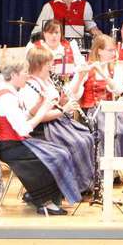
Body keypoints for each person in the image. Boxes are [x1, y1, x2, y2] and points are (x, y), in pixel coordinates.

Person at [0, 60, 83, 215]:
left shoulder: (11, 93)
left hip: (16, 142)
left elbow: (24, 117)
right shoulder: (7, 98)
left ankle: (37, 195)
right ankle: (44, 200)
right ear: (13, 75)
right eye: (24, 72)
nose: (27, 76)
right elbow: (24, 129)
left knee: (62, 151)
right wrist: (44, 109)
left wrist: (39, 104)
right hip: (11, 147)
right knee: (57, 156)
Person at [20, 47, 95, 195]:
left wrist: (79, 78)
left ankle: (88, 182)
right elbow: (38, 115)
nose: (52, 66)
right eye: (49, 63)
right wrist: (63, 110)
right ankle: (77, 186)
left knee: (87, 136)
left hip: (56, 124)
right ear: (39, 64)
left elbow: (58, 101)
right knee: (76, 143)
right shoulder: (30, 86)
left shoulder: (46, 80)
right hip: (42, 129)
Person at [67, 34, 123, 159]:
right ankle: (104, 168)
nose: (114, 53)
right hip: (92, 113)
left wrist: (104, 75)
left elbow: (120, 90)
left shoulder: (115, 68)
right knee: (106, 132)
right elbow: (73, 94)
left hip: (111, 111)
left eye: (114, 50)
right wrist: (80, 77)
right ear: (99, 51)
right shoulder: (86, 67)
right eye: (110, 50)